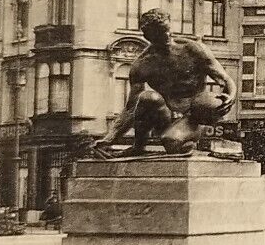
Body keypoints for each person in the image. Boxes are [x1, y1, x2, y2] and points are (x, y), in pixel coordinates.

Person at [94, 8, 237, 157]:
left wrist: (230, 96)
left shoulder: (193, 50)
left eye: (167, 31)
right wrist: (109, 139)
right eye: (160, 34)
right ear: (148, 36)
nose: (167, 36)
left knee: (172, 142)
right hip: (165, 116)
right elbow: (131, 109)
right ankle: (138, 146)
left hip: (194, 114)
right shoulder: (143, 64)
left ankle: (186, 139)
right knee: (147, 98)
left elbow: (224, 78)